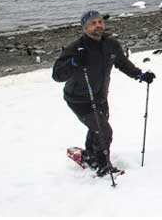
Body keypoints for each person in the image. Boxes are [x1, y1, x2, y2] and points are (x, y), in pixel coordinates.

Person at [52, 10, 155, 176]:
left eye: (100, 22)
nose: (98, 25)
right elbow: (57, 75)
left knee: (98, 127)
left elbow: (122, 63)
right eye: (93, 23)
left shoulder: (111, 44)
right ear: (85, 28)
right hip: (78, 99)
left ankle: (89, 156)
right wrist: (73, 62)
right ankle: (102, 166)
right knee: (104, 131)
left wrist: (140, 75)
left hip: (100, 96)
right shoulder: (76, 48)